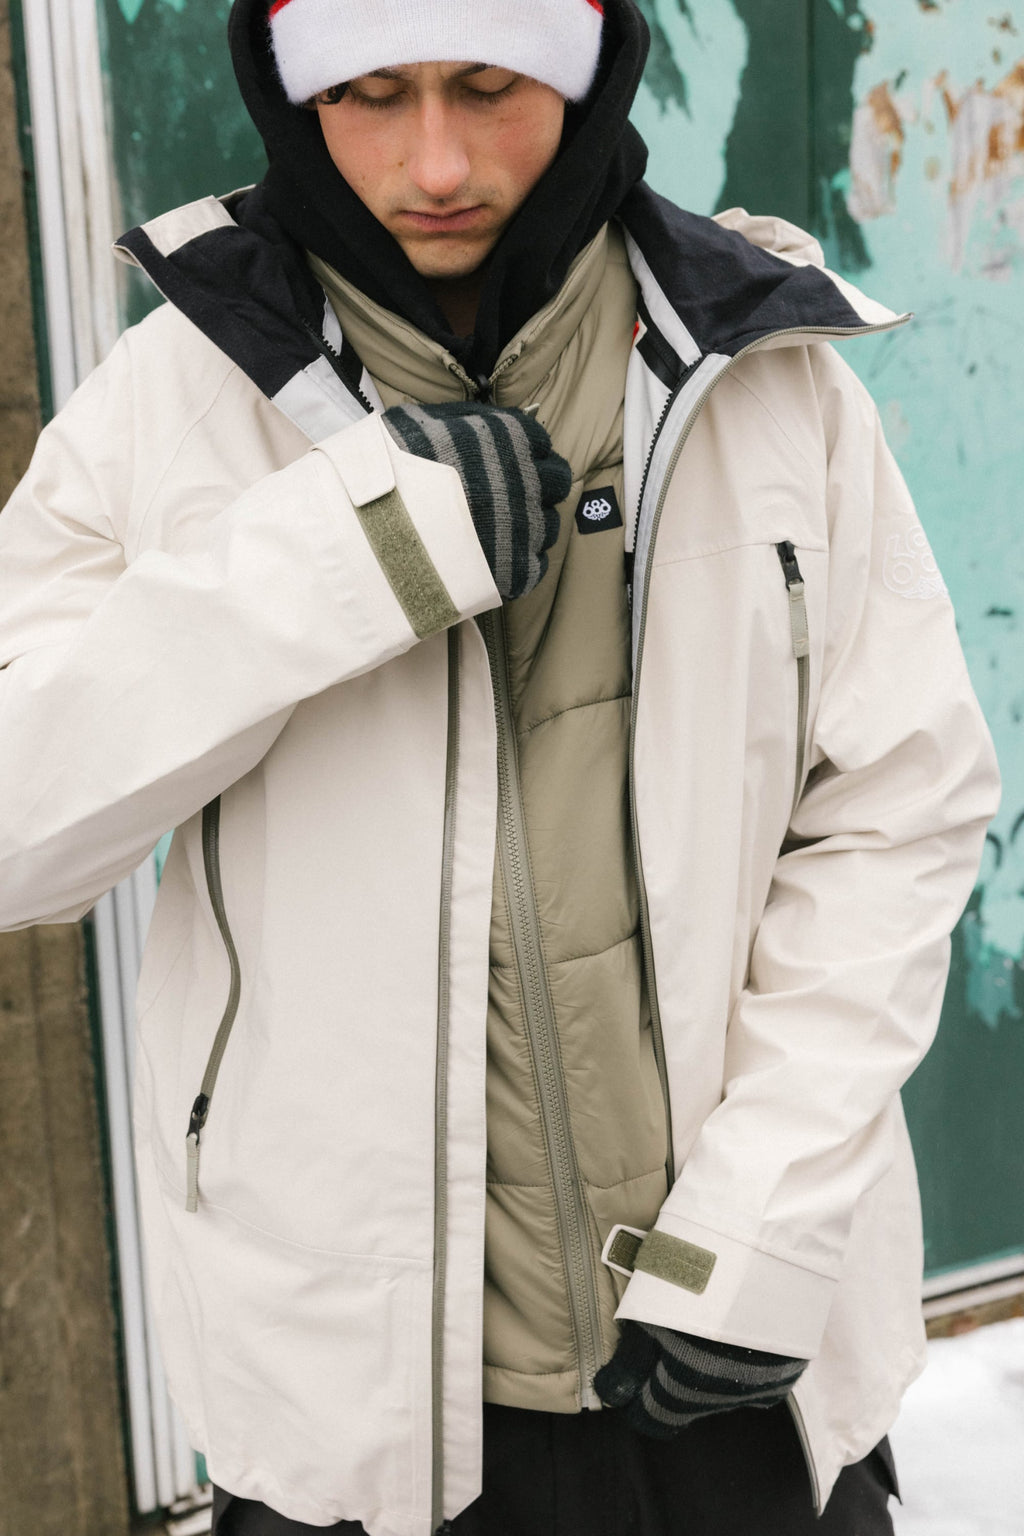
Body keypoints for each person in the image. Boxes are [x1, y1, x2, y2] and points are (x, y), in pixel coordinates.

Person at [0, 1, 999, 1533]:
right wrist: (339, 559)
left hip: (740, 1372)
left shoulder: (761, 364)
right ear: (290, 91)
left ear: (593, 73)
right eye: (374, 93)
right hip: (357, 1408)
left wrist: (766, 1231)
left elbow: (898, 814)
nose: (438, 159)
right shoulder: (177, 398)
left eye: (490, 84)